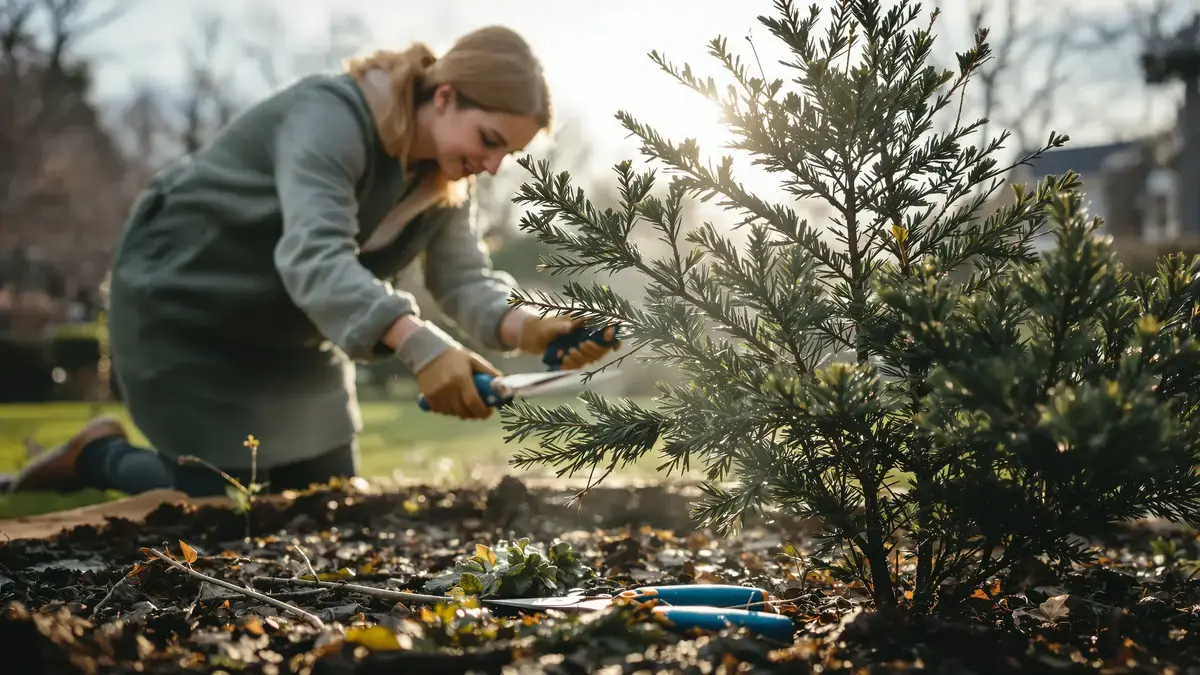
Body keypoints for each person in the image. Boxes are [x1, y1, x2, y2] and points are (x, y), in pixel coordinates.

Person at [9, 26, 619, 497]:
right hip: (187, 307)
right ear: (445, 96)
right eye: (489, 141)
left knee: (330, 501)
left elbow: (464, 280)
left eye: (505, 153)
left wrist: (534, 325)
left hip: (290, 332)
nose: (492, 165)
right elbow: (314, 255)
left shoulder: (444, 181)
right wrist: (422, 347)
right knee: (213, 507)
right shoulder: (332, 118)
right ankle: (98, 457)